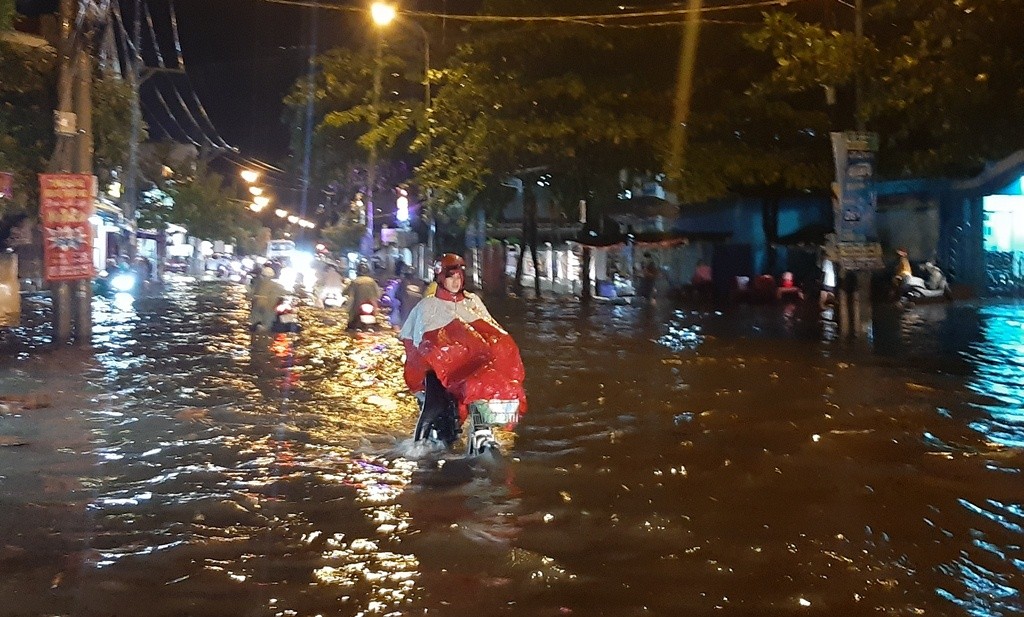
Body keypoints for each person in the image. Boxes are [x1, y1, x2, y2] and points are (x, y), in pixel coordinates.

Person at [399, 253, 527, 439]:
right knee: (434, 408)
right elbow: (421, 344)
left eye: (459, 277)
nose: (455, 282)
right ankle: (421, 445)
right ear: (441, 278)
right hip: (437, 373)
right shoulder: (428, 306)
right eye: (451, 277)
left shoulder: (472, 302)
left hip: (474, 370)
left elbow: (492, 331)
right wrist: (446, 356)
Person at [344, 261, 382, 329]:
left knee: (351, 320)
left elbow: (347, 292)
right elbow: (378, 294)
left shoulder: (355, 281)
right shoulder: (372, 281)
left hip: (357, 306)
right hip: (371, 306)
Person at [248, 266, 287, 332]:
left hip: (267, 310)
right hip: (261, 310)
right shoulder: (257, 284)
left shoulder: (275, 286)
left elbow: (281, 295)